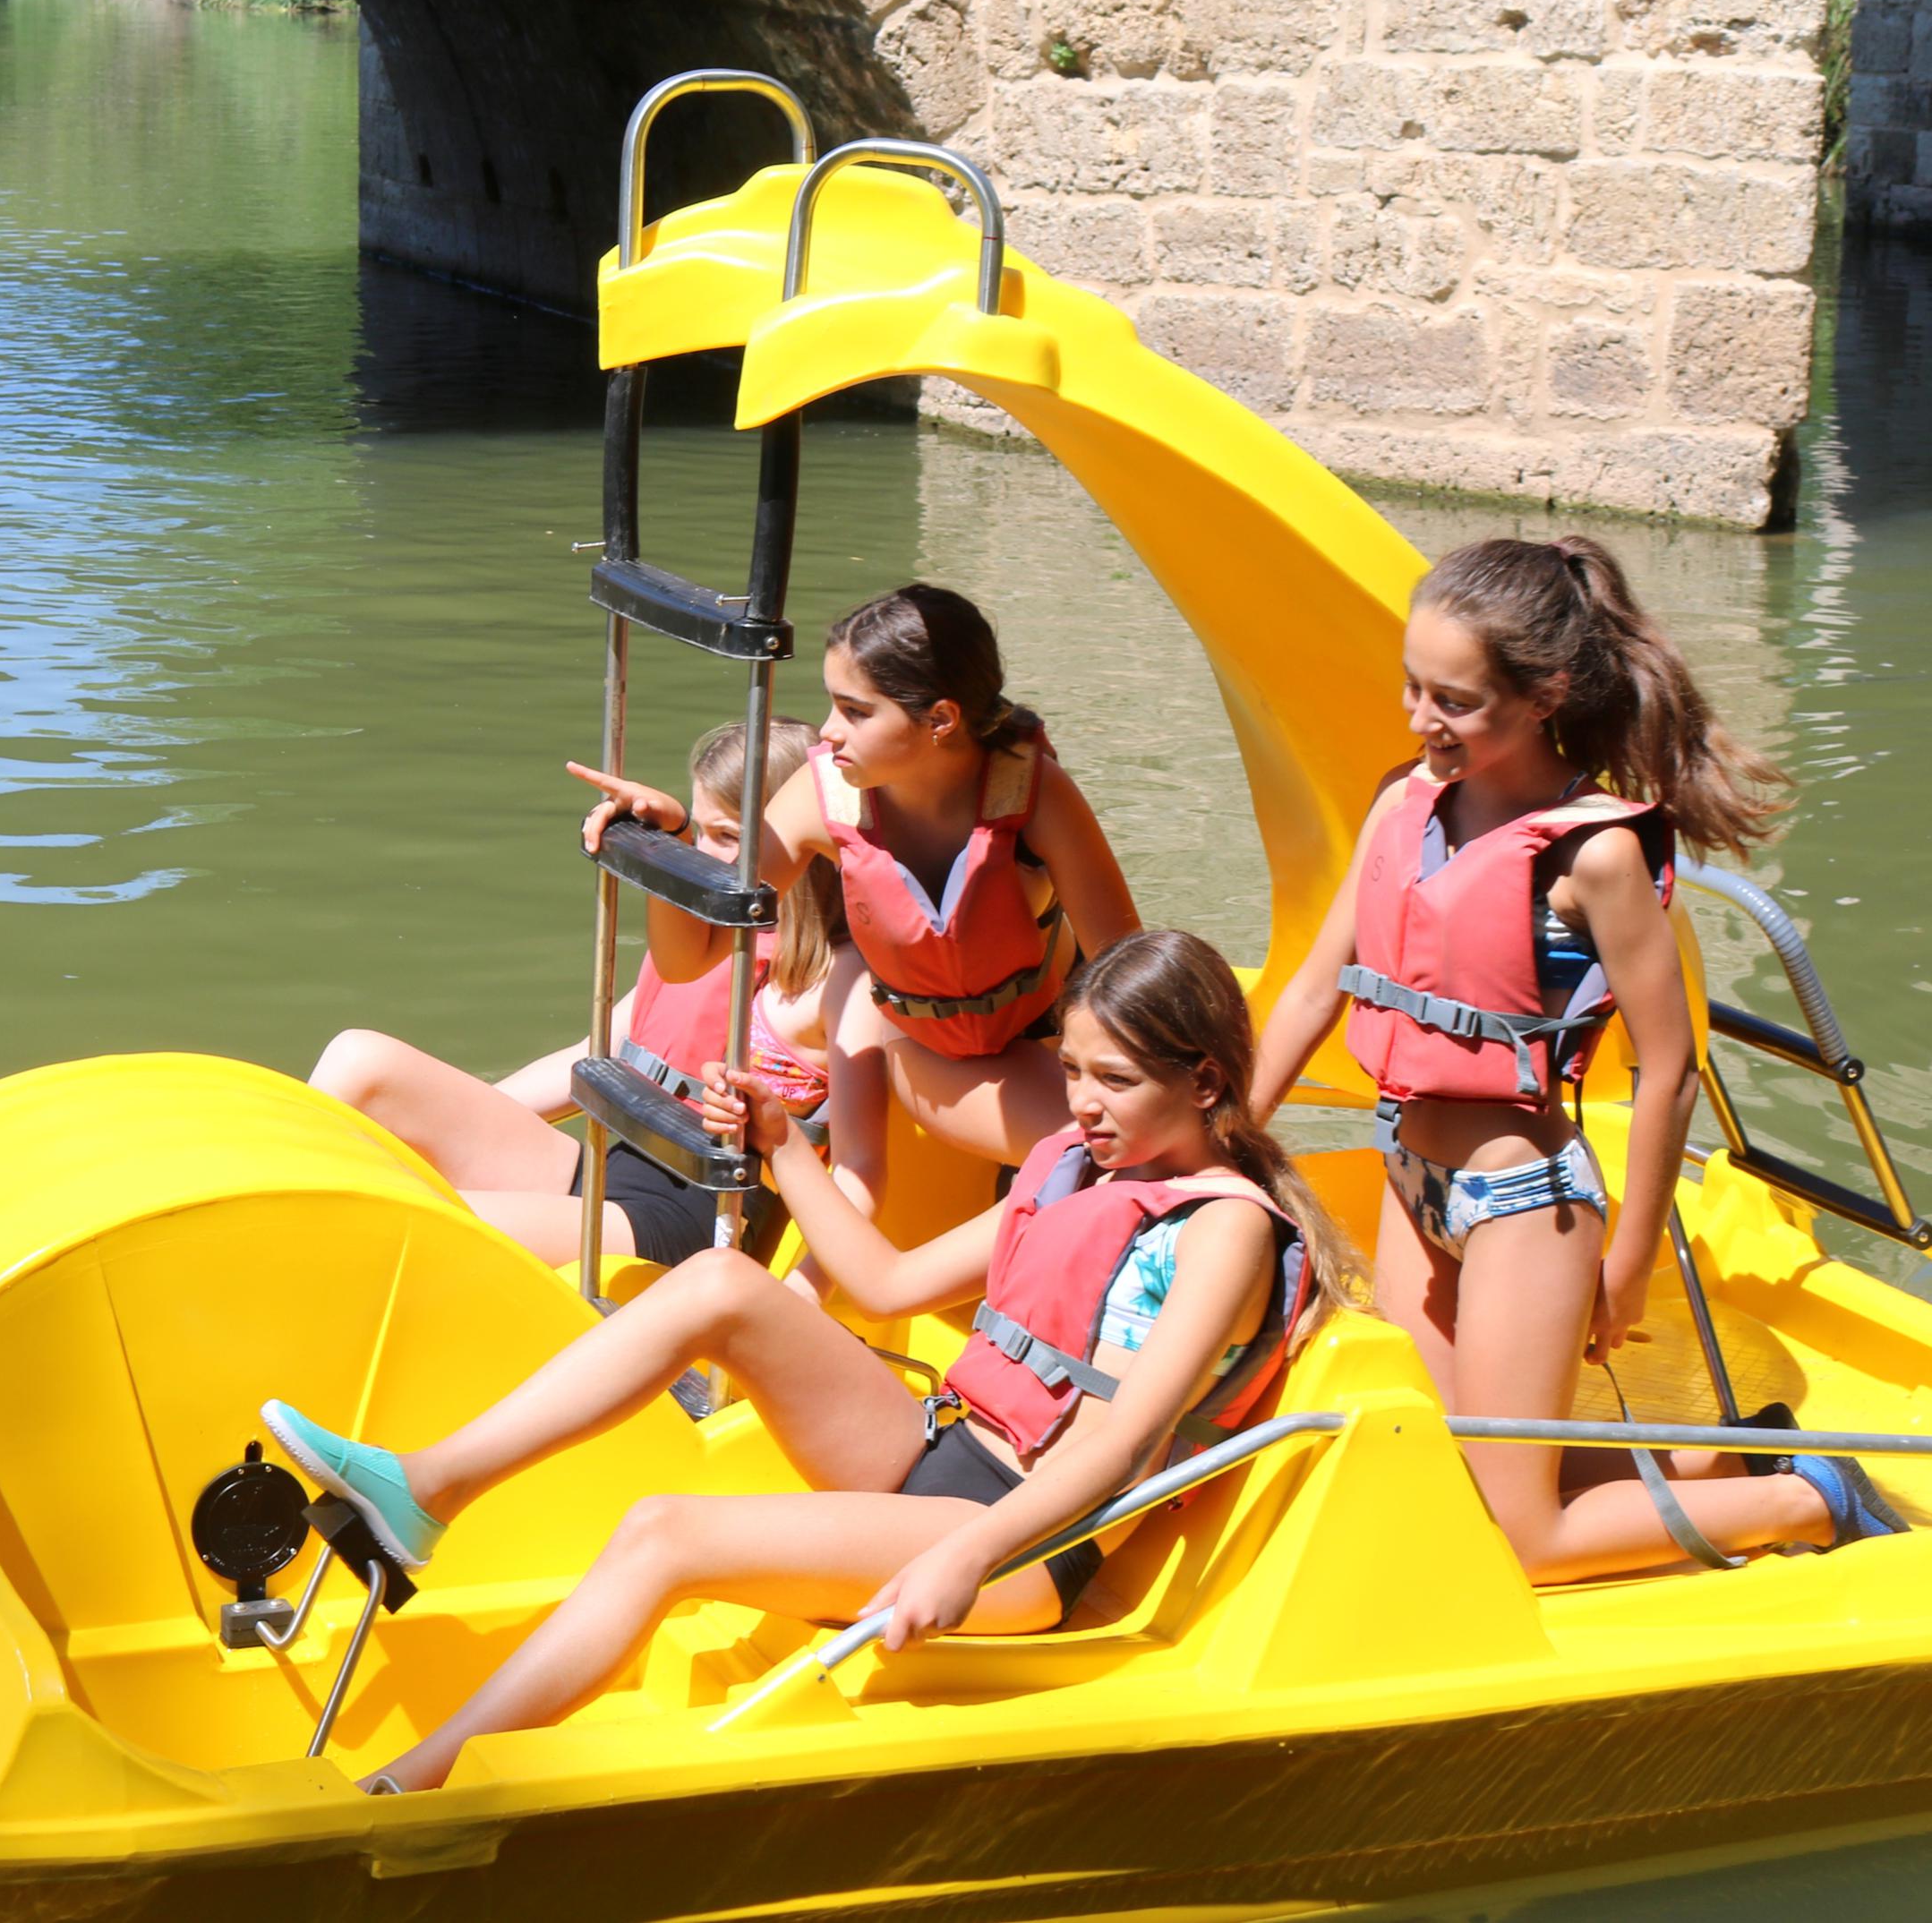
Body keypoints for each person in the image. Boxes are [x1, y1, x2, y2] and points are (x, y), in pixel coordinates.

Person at [265, 930, 1357, 1792]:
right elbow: (883, 1284)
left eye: (1112, 1080)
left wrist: (967, 1554)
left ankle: (421, 1781)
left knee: (664, 1530)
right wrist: (786, 1146)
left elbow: (1117, 1444)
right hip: (937, 1450)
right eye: (1069, 1069)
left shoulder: (1223, 1230)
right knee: (716, 1288)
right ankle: (425, 1487)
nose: (1080, 1103)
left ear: (1207, 1080)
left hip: (1028, 1542)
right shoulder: (1075, 1165)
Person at [1250, 534, 1904, 1582]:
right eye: (1412, 687)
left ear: (1545, 692)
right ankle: (1722, 1460)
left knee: (1526, 1539)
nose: (1421, 719)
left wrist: (1628, 1262)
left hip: (1524, 1206)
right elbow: (1313, 984)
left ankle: (1808, 1494)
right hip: (1408, 1175)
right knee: (1449, 1469)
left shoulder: (1590, 852)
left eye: (1454, 701)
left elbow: (1668, 1067)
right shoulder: (1397, 801)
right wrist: (1227, 1144)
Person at [575, 584, 1141, 1209]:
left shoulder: (1033, 794)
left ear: (941, 719)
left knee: (1142, 1148)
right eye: (831, 705)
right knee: (1096, 1156)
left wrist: (1108, 1084)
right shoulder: (820, 797)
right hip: (927, 1058)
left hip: (1041, 1043)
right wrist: (673, 847)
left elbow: (1124, 967)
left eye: (855, 711)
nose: (826, 730)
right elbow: (694, 956)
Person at [310, 721, 859, 1267]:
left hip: (690, 1226)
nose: (701, 857)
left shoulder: (832, 981)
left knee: (401, 1211)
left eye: (727, 837)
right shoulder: (707, 944)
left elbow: (860, 1175)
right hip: (613, 1170)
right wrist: (461, 1122)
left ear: (801, 842)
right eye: (698, 833)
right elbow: (593, 1057)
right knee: (360, 1060)